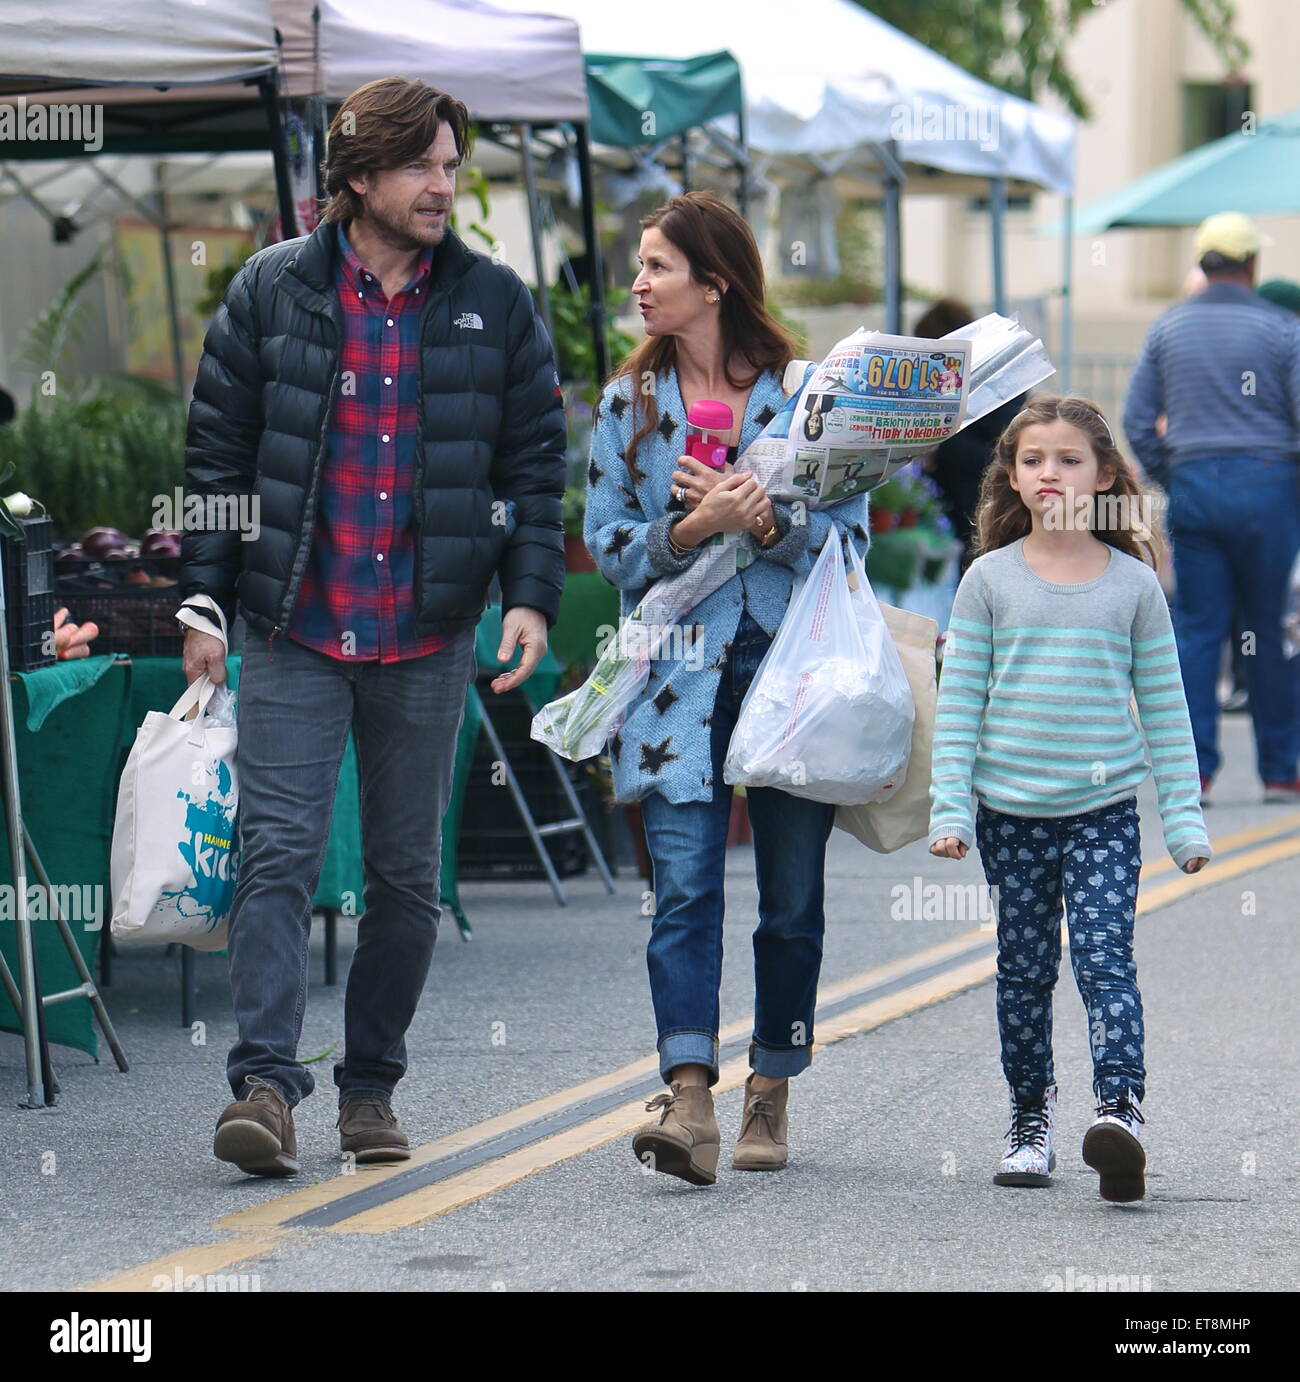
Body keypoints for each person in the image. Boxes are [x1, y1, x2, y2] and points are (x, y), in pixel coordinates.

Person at [179, 77, 565, 1177]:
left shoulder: (495, 301)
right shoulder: (268, 291)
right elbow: (218, 457)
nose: (444, 185)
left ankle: (369, 1088)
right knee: (279, 852)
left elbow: (532, 464)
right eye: (422, 167)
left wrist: (529, 592)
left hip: (427, 626)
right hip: (294, 619)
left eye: (451, 164)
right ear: (356, 179)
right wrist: (204, 601)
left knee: (402, 874)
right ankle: (263, 1084)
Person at [584, 191, 868, 1184]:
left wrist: (763, 523)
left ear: (715, 282)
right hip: (672, 679)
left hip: (790, 673)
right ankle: (691, 1090)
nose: (638, 282)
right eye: (640, 265)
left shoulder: (807, 396)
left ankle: (773, 1080)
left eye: (657, 265)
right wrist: (690, 531)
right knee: (684, 890)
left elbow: (850, 539)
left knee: (789, 898)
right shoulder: (629, 405)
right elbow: (609, 545)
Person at [929, 395, 1210, 1203]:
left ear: (1105, 476)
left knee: (1103, 960)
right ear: (1011, 479)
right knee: (1022, 972)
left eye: (1069, 459)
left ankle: (1119, 1112)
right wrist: (951, 809)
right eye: (1032, 460)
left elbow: (1165, 708)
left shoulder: (1132, 586)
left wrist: (1184, 821)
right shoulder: (987, 581)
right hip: (1008, 815)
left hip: (1102, 816)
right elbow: (960, 707)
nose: (1049, 473)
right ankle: (1028, 1121)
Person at [1123, 212, 1300, 804]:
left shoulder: (1167, 329)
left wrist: (1173, 471)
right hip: (1270, 488)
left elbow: (1137, 419)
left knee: (1198, 630)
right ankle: (1281, 770)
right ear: (1252, 264)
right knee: (1266, 630)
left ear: (1203, 265)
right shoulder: (1282, 330)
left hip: (1195, 487)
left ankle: (1195, 772)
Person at [911, 298, 1024, 572]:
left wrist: (939, 445)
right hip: (953, 501)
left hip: (982, 499)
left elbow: (999, 449)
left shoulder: (998, 380)